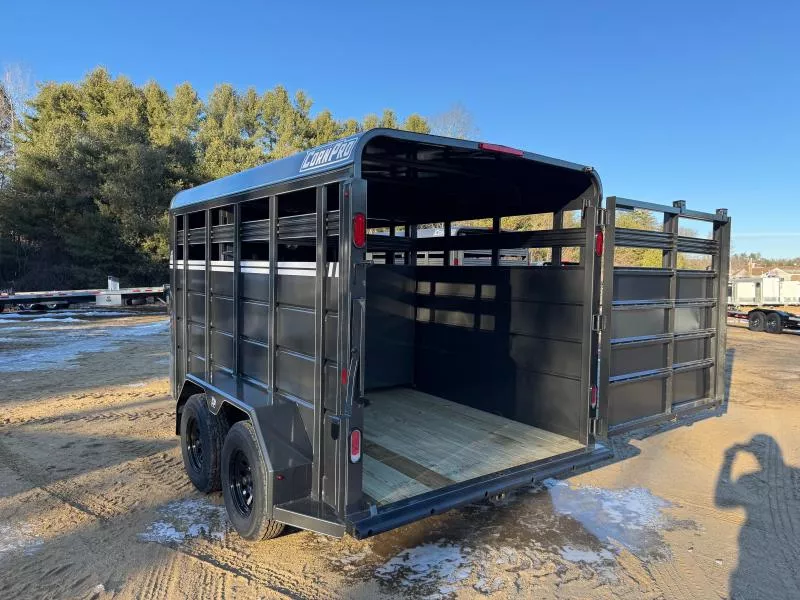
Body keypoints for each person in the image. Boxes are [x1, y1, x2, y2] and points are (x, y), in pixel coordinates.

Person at [715, 434, 800, 599]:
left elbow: (721, 500)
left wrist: (729, 459)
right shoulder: (795, 474)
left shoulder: (748, 479)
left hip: (758, 551)